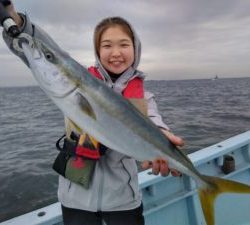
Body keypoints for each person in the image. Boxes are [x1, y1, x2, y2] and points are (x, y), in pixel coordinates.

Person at [2, 2, 184, 225]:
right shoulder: (82, 81)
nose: (115, 53)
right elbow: (44, 53)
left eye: (124, 45)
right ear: (98, 51)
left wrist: (164, 134)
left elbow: (153, 122)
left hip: (124, 201)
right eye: (107, 45)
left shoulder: (144, 97)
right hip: (75, 200)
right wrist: (15, 19)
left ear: (135, 49)